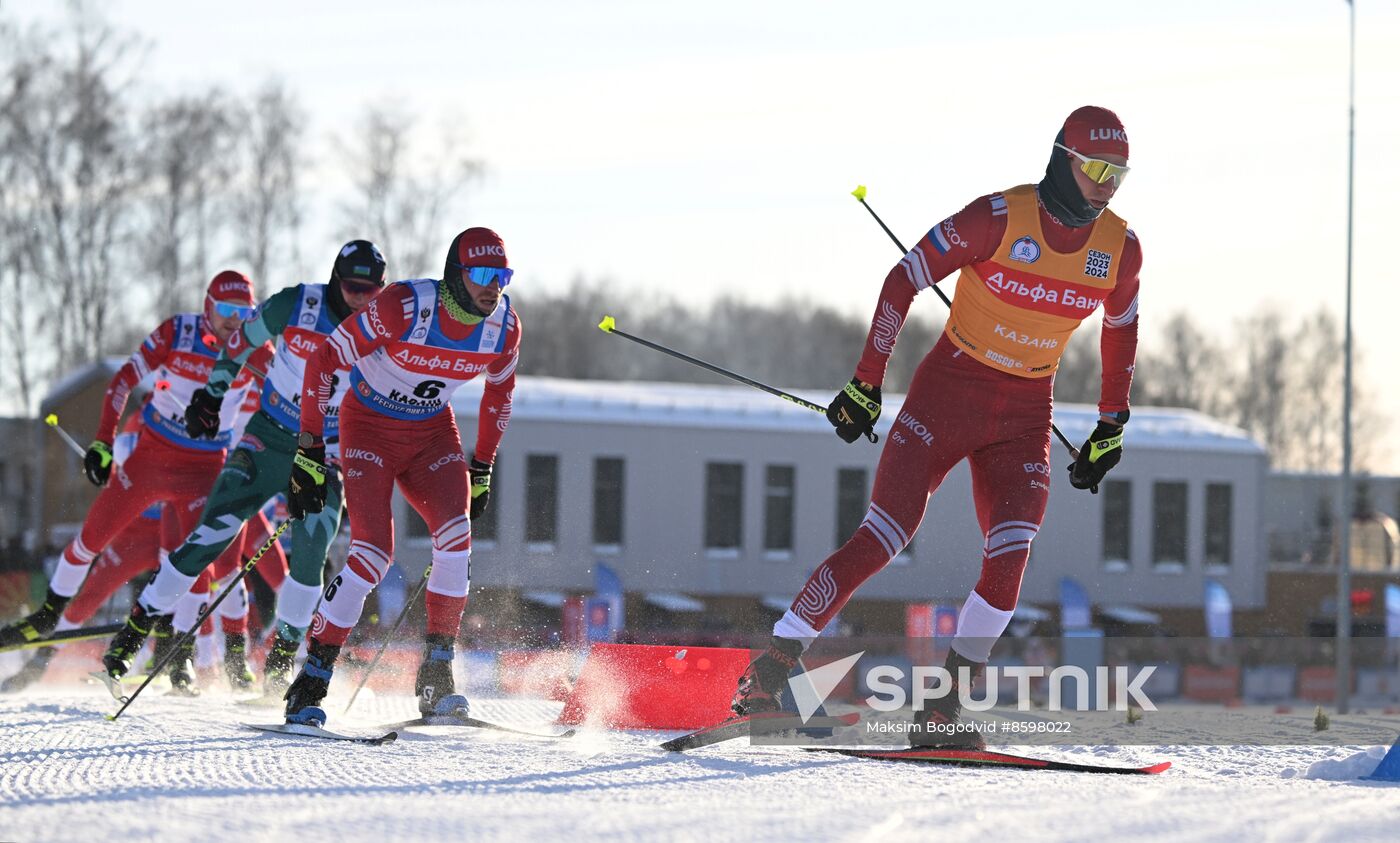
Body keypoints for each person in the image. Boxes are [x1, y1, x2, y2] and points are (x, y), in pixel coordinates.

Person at [731, 106, 1141, 749]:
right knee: (883, 537)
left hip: (1027, 413)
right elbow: (903, 280)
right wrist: (867, 383)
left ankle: (942, 709)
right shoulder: (998, 217)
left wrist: (1111, 423)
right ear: (1063, 157)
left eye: (1117, 173)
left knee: (1011, 555)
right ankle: (770, 674)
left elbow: (1121, 330)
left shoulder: (1120, 247)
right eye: (1094, 168)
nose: (1105, 184)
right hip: (947, 393)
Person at [99, 242, 387, 696]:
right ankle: (131, 636)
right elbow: (239, 343)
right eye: (353, 287)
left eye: (371, 291)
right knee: (210, 535)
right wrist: (211, 395)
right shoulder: (297, 303)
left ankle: (279, 664)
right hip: (270, 435)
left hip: (327, 450)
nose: (361, 299)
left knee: (313, 548)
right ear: (335, 279)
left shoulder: (382, 323)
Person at [280, 226, 520, 728]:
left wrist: (483, 466)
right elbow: (324, 359)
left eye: (501, 276)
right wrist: (308, 451)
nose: (491, 286)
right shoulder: (405, 307)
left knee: (457, 539)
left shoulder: (503, 327)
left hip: (431, 434)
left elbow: (500, 392)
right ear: (456, 275)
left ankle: (437, 673)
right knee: (371, 554)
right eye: (480, 275)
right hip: (367, 427)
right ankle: (313, 677)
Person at [0, 272, 261, 695]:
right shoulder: (178, 334)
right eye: (227, 312)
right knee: (90, 552)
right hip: (148, 488)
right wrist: (103, 444)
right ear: (208, 307)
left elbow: (293, 392)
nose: (235, 322)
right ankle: (42, 648)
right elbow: (122, 381)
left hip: (203, 474)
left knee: (206, 565)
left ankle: (200, 657)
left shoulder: (254, 345)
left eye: (244, 313)